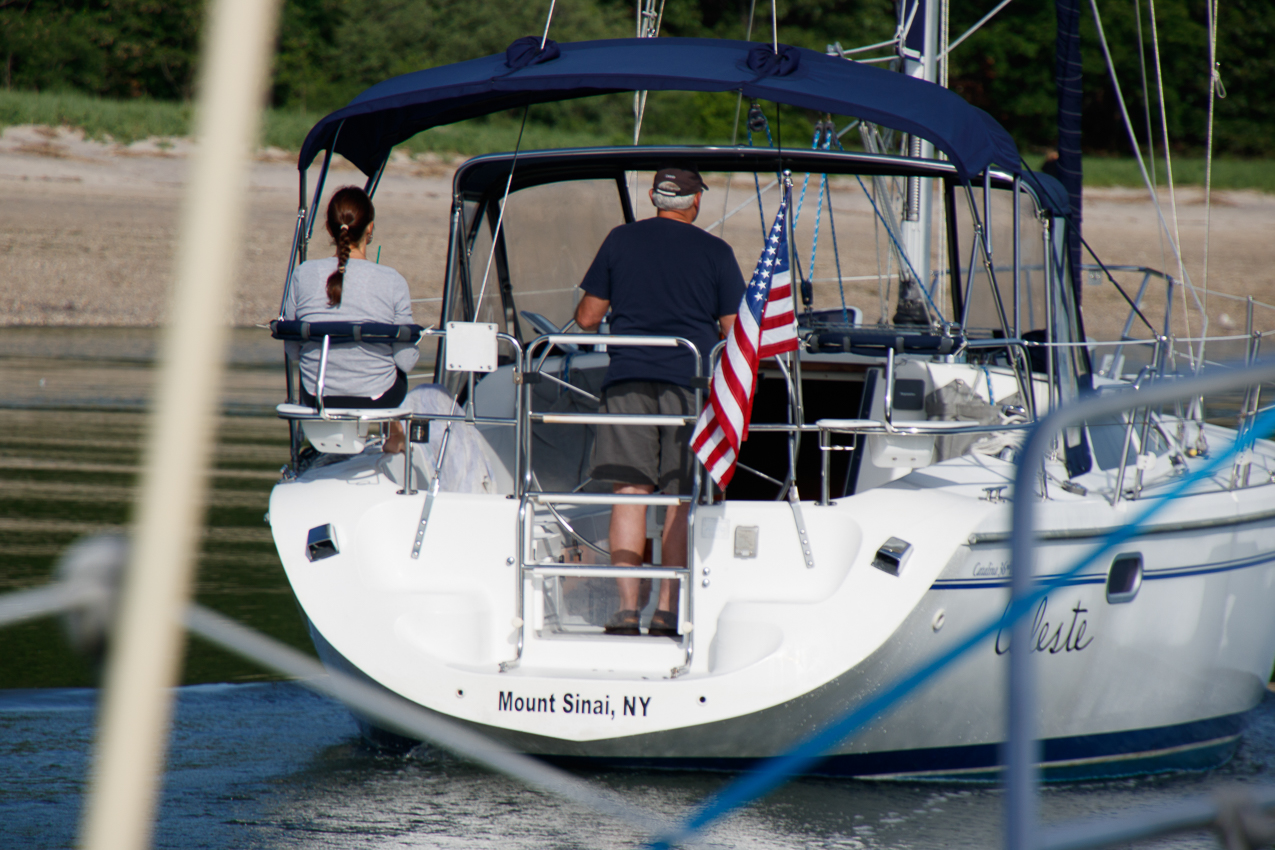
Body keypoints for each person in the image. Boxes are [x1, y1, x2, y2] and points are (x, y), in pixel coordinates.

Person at [573, 167, 745, 637]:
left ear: (653, 197)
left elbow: (587, 318)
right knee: (678, 499)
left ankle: (627, 611)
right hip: (688, 384)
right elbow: (733, 331)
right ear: (695, 203)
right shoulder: (716, 251)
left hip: (627, 378)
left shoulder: (620, 240)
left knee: (629, 495)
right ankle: (668, 612)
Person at [283, 186, 417, 453]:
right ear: (370, 228)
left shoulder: (302, 274)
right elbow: (406, 362)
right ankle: (395, 435)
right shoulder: (392, 280)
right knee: (397, 368)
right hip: (377, 399)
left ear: (329, 229)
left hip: (316, 396)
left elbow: (293, 350)